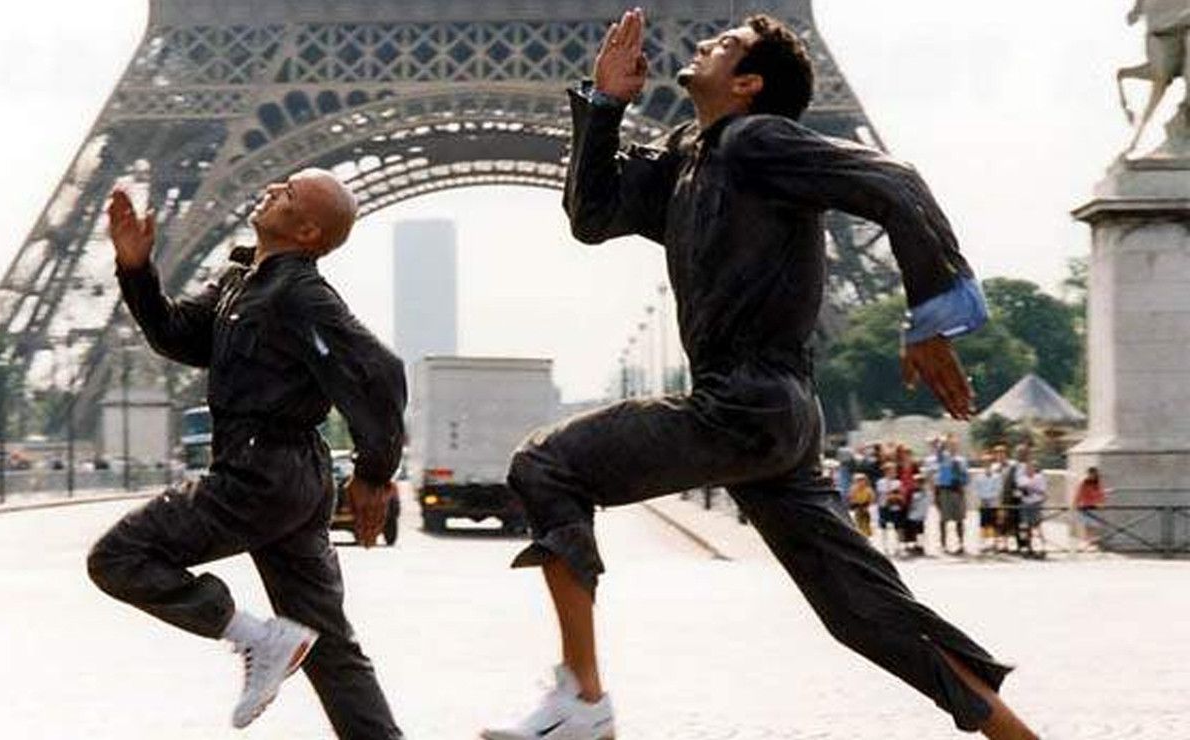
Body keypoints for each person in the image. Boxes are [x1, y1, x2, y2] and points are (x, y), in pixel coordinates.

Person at [483, 9, 1036, 739]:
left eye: (727, 45)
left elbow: (894, 181)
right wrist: (607, 106)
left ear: (746, 84)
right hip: (773, 416)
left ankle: (583, 701)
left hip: (744, 404)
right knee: (864, 614)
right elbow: (595, 216)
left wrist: (934, 316)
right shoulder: (693, 156)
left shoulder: (755, 141)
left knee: (546, 464)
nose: (706, 42)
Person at [85, 168, 406, 737]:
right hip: (288, 477)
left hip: (262, 473)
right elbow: (177, 335)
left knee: (118, 557)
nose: (273, 189)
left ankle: (257, 637)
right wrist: (136, 269)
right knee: (330, 647)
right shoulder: (245, 281)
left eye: (288, 193)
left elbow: (378, 370)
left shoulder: (298, 292)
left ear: (307, 231)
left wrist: (374, 474)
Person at [935, 435, 970, 554]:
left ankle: (961, 543)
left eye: (954, 445)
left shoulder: (962, 460)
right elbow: (938, 453)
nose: (952, 447)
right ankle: (943, 544)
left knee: (959, 519)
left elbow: (966, 476)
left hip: (957, 490)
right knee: (944, 519)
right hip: (945, 490)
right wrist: (941, 442)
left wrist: (962, 480)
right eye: (950, 445)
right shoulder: (943, 458)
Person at [1017, 460, 1048, 558]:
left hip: (1036, 504)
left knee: (1037, 526)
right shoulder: (1022, 478)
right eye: (1028, 468)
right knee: (1024, 526)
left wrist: (1032, 489)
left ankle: (1041, 547)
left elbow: (1042, 491)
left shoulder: (1040, 478)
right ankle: (1026, 547)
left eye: (1032, 467)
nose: (1030, 470)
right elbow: (1021, 489)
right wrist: (1028, 488)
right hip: (1025, 504)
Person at [973, 453, 1002, 554]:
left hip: (993, 502)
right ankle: (983, 543)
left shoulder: (997, 476)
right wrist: (983, 499)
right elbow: (976, 490)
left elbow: (998, 489)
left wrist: (989, 498)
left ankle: (993, 543)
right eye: (984, 463)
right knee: (983, 524)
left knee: (994, 523)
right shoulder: (979, 477)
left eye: (988, 462)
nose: (987, 464)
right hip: (983, 502)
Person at [1073, 466, 1108, 546]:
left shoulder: (1098, 483)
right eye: (1090, 474)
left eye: (1093, 474)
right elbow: (1079, 493)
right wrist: (1075, 503)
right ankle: (1088, 540)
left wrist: (1102, 503)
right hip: (1085, 505)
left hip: (1094, 505)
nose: (1091, 475)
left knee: (1094, 524)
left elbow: (1101, 493)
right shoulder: (1084, 482)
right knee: (1087, 524)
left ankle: (1091, 539)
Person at [848, 472, 876, 537]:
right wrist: (855, 504)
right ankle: (860, 535)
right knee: (858, 522)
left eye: (862, 480)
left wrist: (867, 505)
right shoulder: (853, 489)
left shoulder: (868, 489)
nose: (860, 482)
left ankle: (866, 535)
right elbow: (851, 498)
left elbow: (872, 498)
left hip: (866, 507)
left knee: (866, 523)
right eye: (858, 481)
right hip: (857, 507)